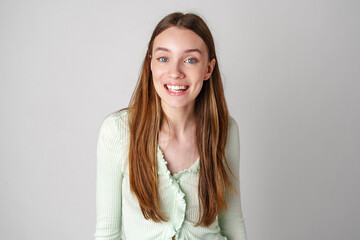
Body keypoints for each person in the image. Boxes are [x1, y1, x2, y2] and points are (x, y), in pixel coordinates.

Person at [94, 12, 247, 240]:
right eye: (164, 58)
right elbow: (107, 233)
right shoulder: (117, 132)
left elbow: (232, 224)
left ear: (208, 69)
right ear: (150, 65)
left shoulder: (225, 130)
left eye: (190, 60)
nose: (175, 72)